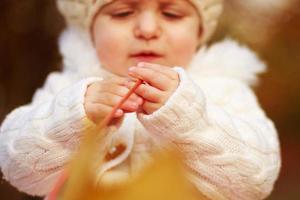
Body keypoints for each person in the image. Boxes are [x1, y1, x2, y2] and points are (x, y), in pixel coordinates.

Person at [0, 0, 281, 199]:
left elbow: (256, 180)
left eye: (171, 13)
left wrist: (188, 120)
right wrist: (74, 117)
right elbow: (17, 167)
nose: (147, 29)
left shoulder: (222, 91)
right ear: (90, 29)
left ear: (199, 31)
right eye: (122, 12)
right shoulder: (69, 89)